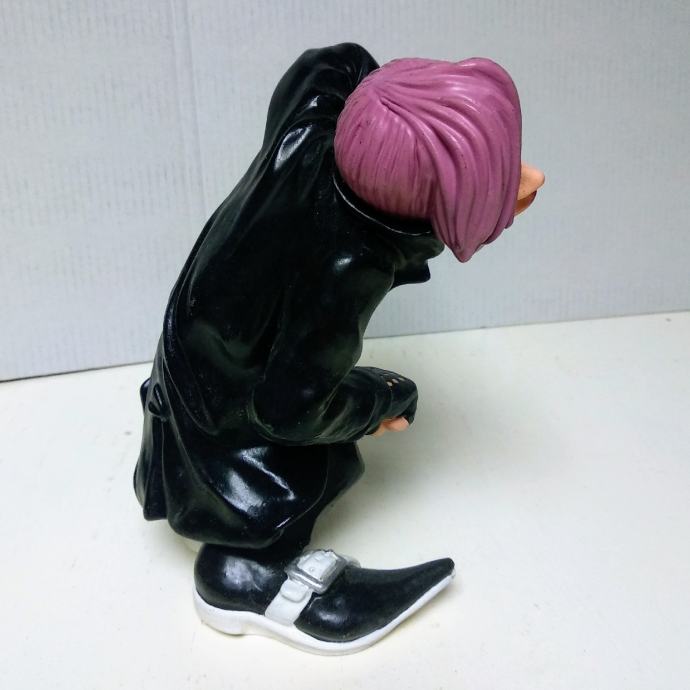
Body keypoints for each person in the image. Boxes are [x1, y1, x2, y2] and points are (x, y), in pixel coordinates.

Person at [134, 42, 544, 654]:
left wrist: (392, 106)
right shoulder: (348, 269)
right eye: (495, 180)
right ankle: (247, 576)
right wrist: (376, 400)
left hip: (195, 356)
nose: (531, 179)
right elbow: (289, 411)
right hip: (218, 419)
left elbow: (330, 62)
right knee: (317, 465)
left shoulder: (309, 129)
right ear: (430, 209)